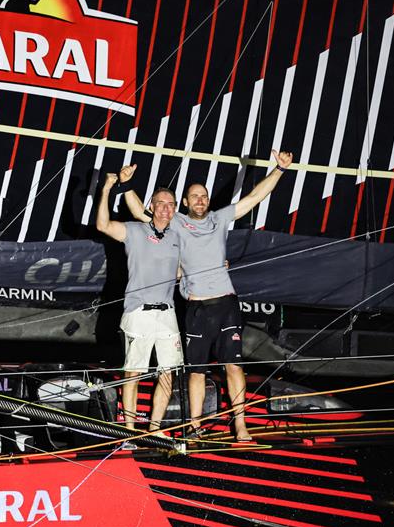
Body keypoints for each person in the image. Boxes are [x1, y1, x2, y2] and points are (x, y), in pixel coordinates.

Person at [123, 150, 293, 442]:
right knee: (196, 371)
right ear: (185, 203)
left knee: (234, 365)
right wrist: (126, 186)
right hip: (197, 308)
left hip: (226, 302)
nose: (200, 200)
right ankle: (194, 426)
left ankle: (241, 426)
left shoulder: (219, 218)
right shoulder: (174, 221)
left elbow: (253, 199)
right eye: (194, 196)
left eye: (204, 196)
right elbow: (141, 212)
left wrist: (279, 169)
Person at [96, 166, 184, 433]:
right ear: (152, 206)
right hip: (138, 312)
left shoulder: (179, 237)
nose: (166, 209)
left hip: (167, 314)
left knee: (167, 374)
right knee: (132, 373)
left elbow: (183, 271)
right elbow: (103, 225)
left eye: (170, 205)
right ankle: (130, 431)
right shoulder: (135, 230)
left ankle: (155, 430)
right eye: (161, 204)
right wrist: (108, 189)